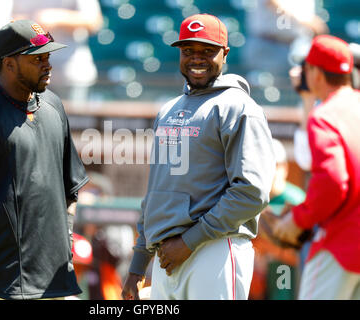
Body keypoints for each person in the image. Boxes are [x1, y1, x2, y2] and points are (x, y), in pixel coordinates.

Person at [121, 14, 276, 300]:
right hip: (167, 256)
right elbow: (156, 194)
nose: (197, 58)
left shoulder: (240, 107)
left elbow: (251, 192)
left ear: (225, 54)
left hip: (215, 248)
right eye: (188, 51)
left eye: (207, 51)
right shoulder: (168, 110)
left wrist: (190, 241)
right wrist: (138, 265)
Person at [0, 19, 89, 300]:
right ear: (9, 63)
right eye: (37, 58)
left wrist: (67, 237)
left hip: (53, 280)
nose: (47, 64)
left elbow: (71, 187)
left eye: (48, 56)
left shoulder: (54, 106)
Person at [273, 35, 360, 300]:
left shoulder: (325, 115)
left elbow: (333, 182)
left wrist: (299, 219)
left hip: (340, 240)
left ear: (316, 73)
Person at [12, 0, 103, 103]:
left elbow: (94, 21)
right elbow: (8, 19)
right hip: (28, 73)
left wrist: (57, 18)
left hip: (69, 74)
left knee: (70, 118)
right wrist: (30, 23)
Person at [251, 139, 306, 300]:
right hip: (258, 275)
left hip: (287, 271)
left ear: (285, 168)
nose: (272, 171)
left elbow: (303, 251)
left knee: (282, 269)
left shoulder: (296, 199)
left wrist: (271, 249)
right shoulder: (254, 198)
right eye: (266, 166)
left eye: (276, 165)